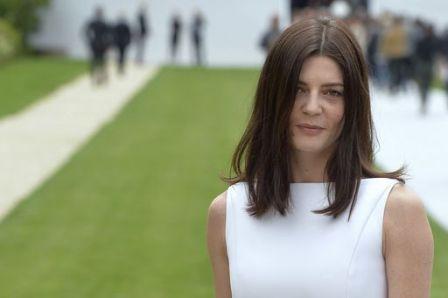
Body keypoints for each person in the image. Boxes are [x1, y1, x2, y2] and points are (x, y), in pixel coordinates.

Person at [207, 16, 433, 298]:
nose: (312, 107)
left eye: (332, 93)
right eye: (298, 89)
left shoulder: (395, 212)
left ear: (353, 105)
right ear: (272, 94)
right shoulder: (228, 212)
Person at [84, 7, 111, 85]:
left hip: (97, 44)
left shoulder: (94, 23)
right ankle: (99, 76)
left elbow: (86, 32)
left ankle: (97, 76)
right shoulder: (102, 23)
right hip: (101, 44)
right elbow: (109, 35)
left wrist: (90, 40)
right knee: (99, 61)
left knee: (96, 61)